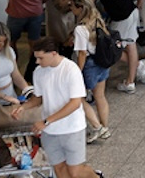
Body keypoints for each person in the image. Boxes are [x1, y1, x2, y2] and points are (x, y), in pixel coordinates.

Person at [9, 37, 101, 178]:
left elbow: (75, 103)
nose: (37, 62)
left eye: (41, 58)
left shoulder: (70, 69)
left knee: (75, 172)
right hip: (51, 132)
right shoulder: (39, 72)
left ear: (53, 53)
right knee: (60, 170)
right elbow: (38, 98)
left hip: (72, 128)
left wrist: (46, 121)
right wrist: (23, 107)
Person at [68, 0, 111, 143]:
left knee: (78, 98)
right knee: (100, 96)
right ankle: (105, 128)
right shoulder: (97, 19)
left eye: (72, 6)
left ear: (80, 8)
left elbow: (81, 53)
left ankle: (97, 126)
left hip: (89, 65)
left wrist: (77, 72)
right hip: (101, 61)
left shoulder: (80, 28)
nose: (71, 9)